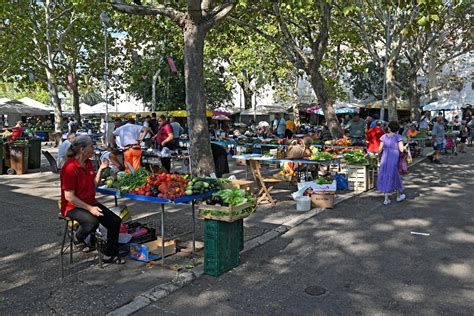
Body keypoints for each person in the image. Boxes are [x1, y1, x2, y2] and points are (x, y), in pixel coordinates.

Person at [60, 135, 123, 263]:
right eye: (91, 146)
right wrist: (90, 209)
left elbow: (93, 185)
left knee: (114, 221)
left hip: (89, 202)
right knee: (92, 222)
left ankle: (110, 254)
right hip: (72, 206)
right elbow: (69, 197)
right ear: (82, 149)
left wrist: (100, 170)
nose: (94, 148)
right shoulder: (69, 167)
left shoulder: (88, 163)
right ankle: (77, 237)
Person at [377, 121, 407, 205]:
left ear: (389, 128)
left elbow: (379, 150)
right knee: (395, 175)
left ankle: (386, 199)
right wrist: (405, 147)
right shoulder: (398, 137)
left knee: (385, 175)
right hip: (394, 158)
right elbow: (401, 149)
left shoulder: (383, 137)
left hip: (385, 158)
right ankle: (398, 196)